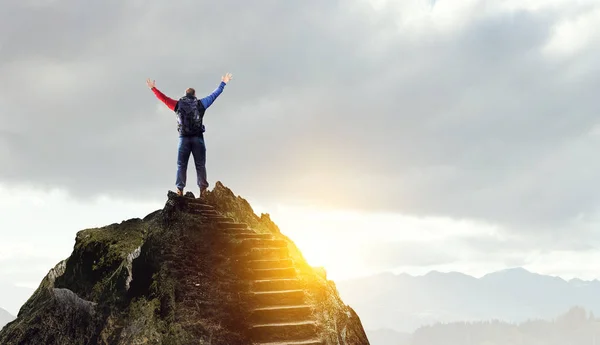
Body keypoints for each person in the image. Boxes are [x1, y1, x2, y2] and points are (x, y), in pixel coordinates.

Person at [146, 73, 233, 198]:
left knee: (181, 165)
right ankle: (203, 190)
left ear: (185, 94)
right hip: (198, 138)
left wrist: (153, 88)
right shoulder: (201, 104)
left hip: (183, 138)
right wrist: (223, 83)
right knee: (200, 165)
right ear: (195, 95)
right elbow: (214, 95)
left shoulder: (177, 104)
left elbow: (164, 99)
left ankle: (180, 189)